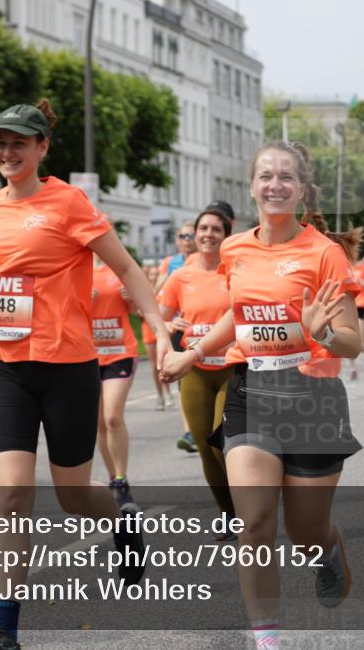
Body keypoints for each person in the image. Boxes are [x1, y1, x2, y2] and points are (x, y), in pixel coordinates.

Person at [0, 101, 170, 650]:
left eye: (19, 142)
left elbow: (124, 268)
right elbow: (6, 277)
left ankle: (121, 520)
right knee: (13, 496)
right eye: (0, 142)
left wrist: (160, 331)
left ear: (42, 147)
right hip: (5, 364)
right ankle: (6, 628)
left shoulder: (69, 201)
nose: (7, 152)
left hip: (68, 366)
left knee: (73, 497)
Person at [160, 140, 363, 650]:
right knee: (252, 523)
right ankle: (267, 641)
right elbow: (240, 312)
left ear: (301, 189)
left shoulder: (324, 253)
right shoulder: (235, 248)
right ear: (251, 187)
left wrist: (321, 333)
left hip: (313, 398)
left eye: (286, 177)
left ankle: (328, 553)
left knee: (305, 531)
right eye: (266, 176)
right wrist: (193, 353)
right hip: (252, 391)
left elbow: (354, 343)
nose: (275, 185)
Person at [157, 209, 237, 532]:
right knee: (205, 446)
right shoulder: (181, 277)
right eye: (202, 228)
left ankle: (249, 504)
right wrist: (167, 322)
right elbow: (157, 318)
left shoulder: (235, 273)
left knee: (223, 441)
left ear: (226, 235)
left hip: (232, 368)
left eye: (215, 229)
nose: (207, 234)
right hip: (196, 370)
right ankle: (229, 514)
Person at [91, 256, 139, 506]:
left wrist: (131, 299)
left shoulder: (119, 267)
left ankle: (121, 478)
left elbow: (136, 310)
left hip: (120, 352)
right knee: (99, 423)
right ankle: (113, 477)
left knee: (112, 417)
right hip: (87, 355)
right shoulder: (75, 268)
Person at [140, 262, 175, 412]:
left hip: (163, 330)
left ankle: (167, 393)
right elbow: (139, 311)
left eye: (157, 274)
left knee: (163, 363)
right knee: (155, 365)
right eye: (152, 274)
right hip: (148, 329)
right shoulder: (144, 289)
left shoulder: (165, 289)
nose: (154, 276)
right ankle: (160, 394)